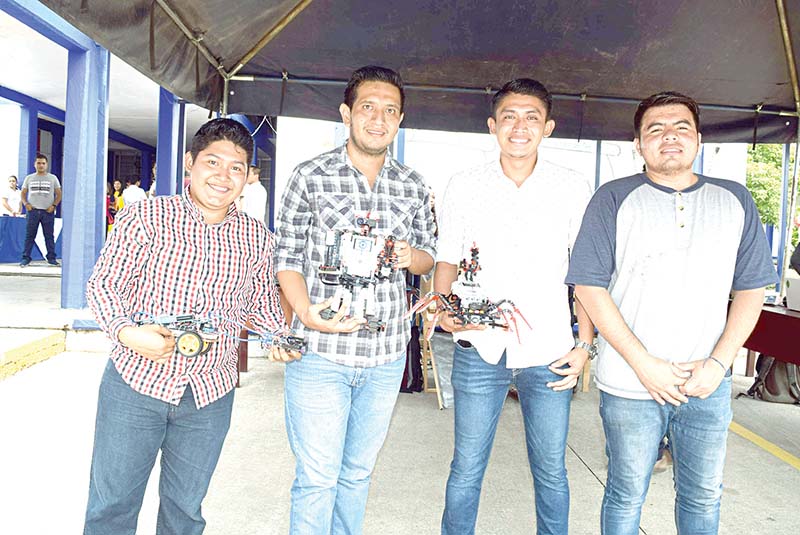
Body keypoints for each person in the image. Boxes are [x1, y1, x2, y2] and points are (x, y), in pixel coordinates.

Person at [566, 91, 777, 535]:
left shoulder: (735, 199)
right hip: (629, 382)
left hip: (707, 384)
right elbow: (588, 285)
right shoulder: (612, 198)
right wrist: (644, 364)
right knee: (626, 493)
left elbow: (752, 290)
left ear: (698, 140)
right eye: (655, 129)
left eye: (681, 127)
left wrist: (718, 364)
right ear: (638, 144)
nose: (670, 137)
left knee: (703, 495)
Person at [83, 118, 297, 534]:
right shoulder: (146, 217)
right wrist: (128, 333)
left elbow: (260, 302)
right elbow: (104, 285)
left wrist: (281, 335)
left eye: (236, 167)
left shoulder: (257, 238)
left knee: (185, 511)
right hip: (135, 383)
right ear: (190, 163)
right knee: (112, 507)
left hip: (209, 394)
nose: (223, 176)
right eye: (212, 162)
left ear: (247, 176)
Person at [275, 65, 437, 534]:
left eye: (390, 110)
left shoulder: (413, 185)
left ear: (400, 119)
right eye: (367, 107)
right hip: (320, 354)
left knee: (357, 475)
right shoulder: (309, 176)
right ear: (347, 114)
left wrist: (412, 256)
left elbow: (429, 257)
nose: (378, 119)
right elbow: (286, 256)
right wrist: (305, 313)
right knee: (317, 479)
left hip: (385, 356)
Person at [436, 78, 595, 535]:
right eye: (509, 116)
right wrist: (444, 310)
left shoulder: (572, 186)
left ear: (548, 127)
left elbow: (584, 273)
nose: (519, 127)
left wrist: (585, 345)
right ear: (492, 125)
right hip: (479, 347)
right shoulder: (465, 184)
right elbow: (447, 258)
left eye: (531, 117)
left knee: (551, 470)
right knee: (466, 467)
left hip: (549, 351)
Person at [20, 154, 61, 267]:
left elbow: (59, 194)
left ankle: (51, 258)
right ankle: (26, 258)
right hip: (32, 211)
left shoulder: (53, 178)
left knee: (49, 236)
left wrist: (54, 205)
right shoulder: (29, 178)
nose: (41, 165)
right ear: (35, 164)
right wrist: (26, 204)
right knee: (29, 235)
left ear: (47, 165)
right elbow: (23, 193)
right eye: (38, 163)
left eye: (43, 163)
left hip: (47, 212)